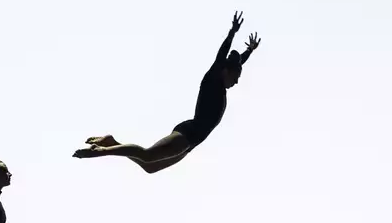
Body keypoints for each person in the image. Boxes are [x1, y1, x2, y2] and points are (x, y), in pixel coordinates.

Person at [72, 11, 260, 173]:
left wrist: (249, 50)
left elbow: (239, 61)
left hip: (192, 142)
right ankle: (101, 151)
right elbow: (222, 55)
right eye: (235, 77)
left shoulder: (224, 76)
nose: (236, 82)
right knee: (147, 155)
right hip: (188, 133)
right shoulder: (213, 78)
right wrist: (232, 32)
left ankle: (110, 141)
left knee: (149, 167)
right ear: (224, 71)